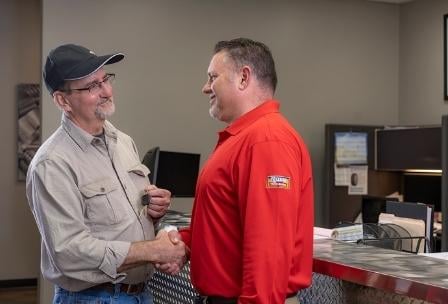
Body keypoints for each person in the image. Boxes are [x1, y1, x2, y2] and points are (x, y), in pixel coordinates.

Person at [26, 44, 185, 304]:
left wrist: (153, 212)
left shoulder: (123, 142)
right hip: (94, 298)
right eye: (91, 86)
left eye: (105, 79)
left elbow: (121, 222)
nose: (107, 91)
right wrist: (152, 251)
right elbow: (69, 252)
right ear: (62, 100)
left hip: (142, 294)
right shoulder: (52, 163)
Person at [178, 38, 314, 304]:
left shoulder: (268, 140)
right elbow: (229, 224)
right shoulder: (246, 138)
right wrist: (184, 241)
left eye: (212, 77)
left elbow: (268, 249)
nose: (205, 88)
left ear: (243, 78)